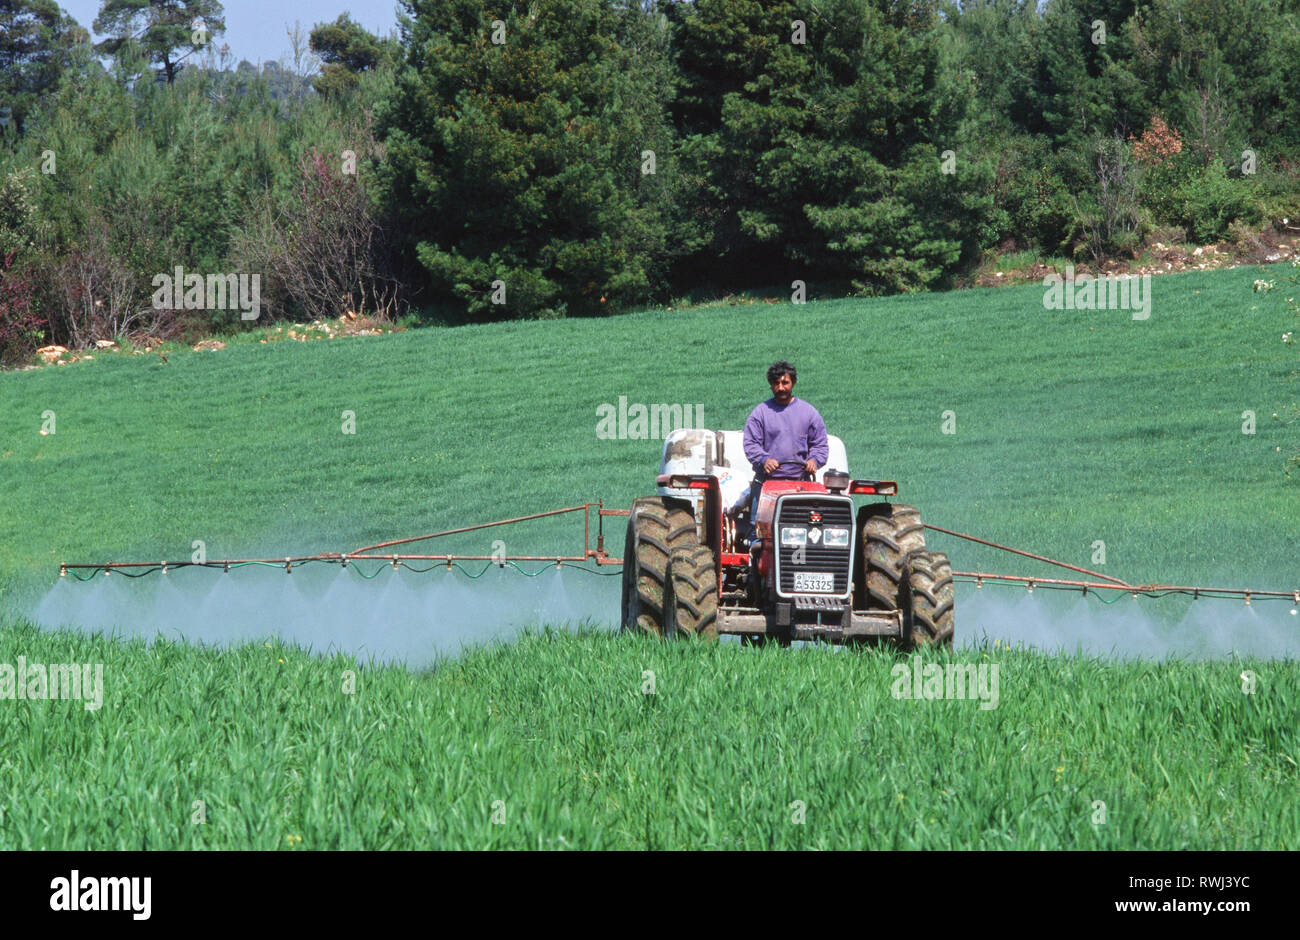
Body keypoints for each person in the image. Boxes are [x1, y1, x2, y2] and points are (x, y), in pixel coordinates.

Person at [742, 361, 829, 537]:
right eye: (776, 383)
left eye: (785, 382)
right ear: (771, 385)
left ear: (793, 382)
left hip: (800, 484)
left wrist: (814, 460)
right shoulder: (761, 413)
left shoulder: (809, 413)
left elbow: (820, 445)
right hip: (767, 483)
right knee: (759, 531)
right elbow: (751, 444)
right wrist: (764, 459)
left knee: (806, 530)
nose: (781, 387)